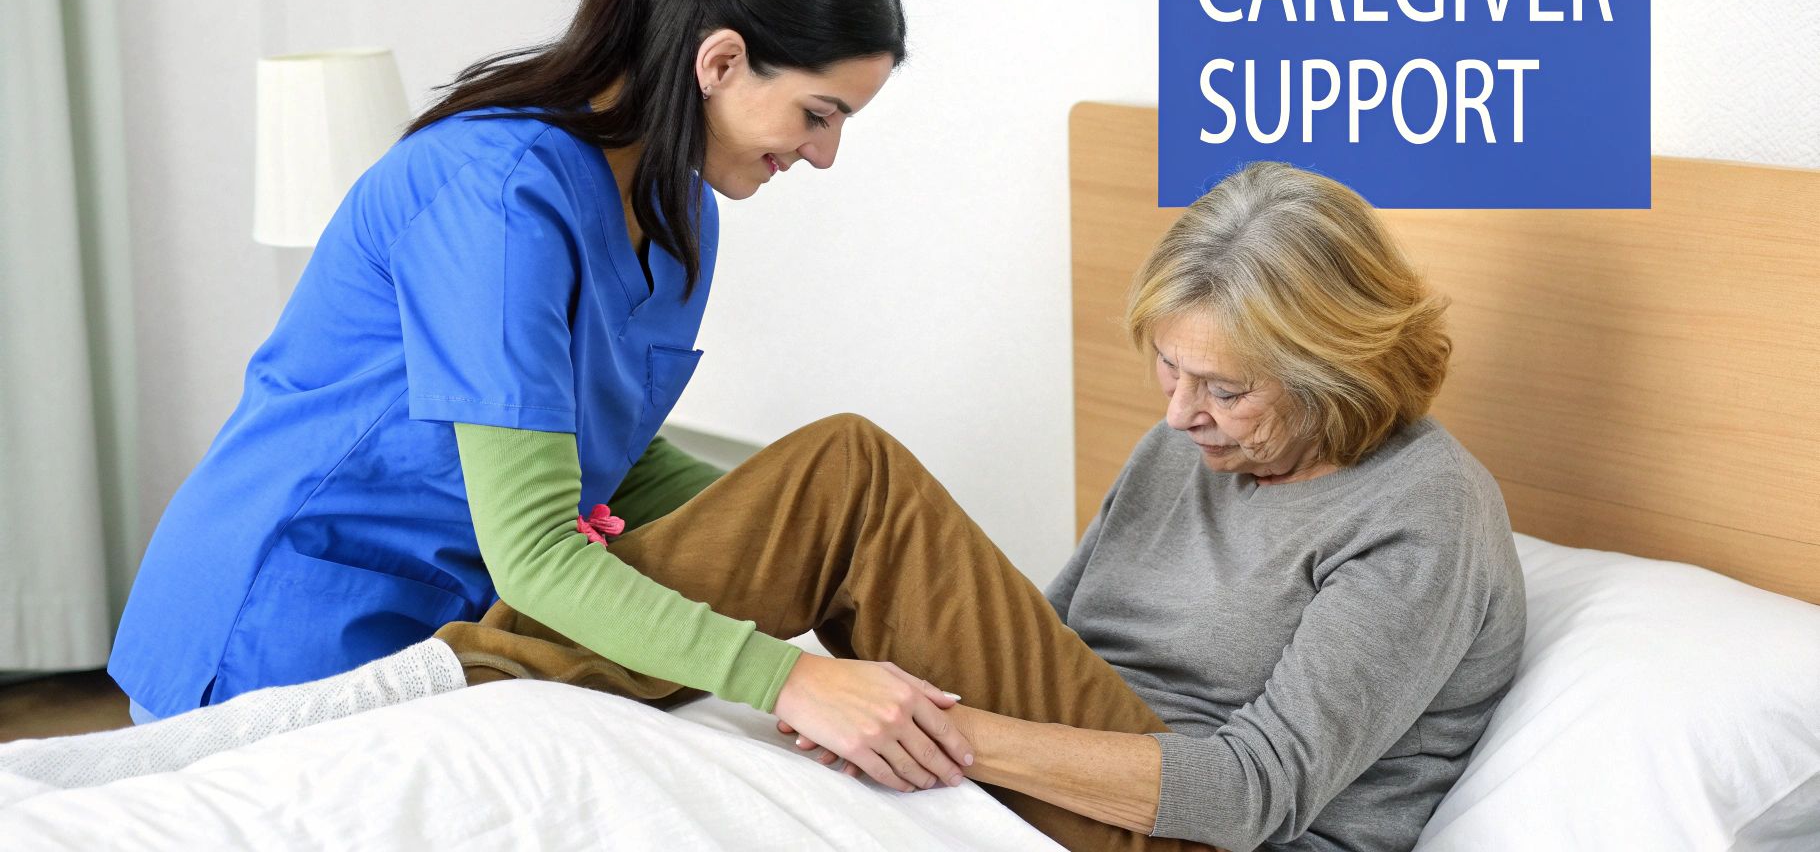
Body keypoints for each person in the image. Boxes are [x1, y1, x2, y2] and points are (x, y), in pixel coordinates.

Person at [108, 0, 983, 788]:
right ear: (720, 62)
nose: (825, 155)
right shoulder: (497, 197)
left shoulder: (680, 210)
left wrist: (794, 527)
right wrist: (788, 677)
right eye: (819, 114)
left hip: (448, 627)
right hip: (281, 624)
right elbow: (533, 550)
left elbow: (607, 451)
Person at [438, 162, 1528, 851]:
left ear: (1334, 369)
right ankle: (461, 680)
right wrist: (896, 708)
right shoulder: (1184, 446)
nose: (1179, 413)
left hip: (1190, 828)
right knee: (841, 477)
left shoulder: (1422, 515)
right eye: (1168, 367)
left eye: (1225, 388)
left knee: (851, 476)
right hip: (1082, 754)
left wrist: (936, 732)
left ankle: (465, 671)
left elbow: (1251, 794)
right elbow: (1052, 634)